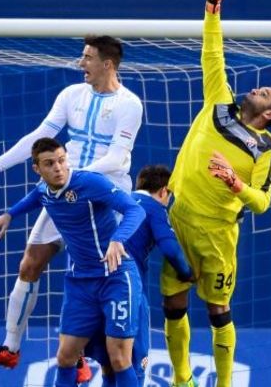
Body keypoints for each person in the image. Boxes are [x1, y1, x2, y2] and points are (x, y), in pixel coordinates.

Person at [0, 34, 143, 375]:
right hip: (64, 189)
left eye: (88, 58)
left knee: (101, 272)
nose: (81, 64)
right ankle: (11, 347)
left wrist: (70, 179)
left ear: (107, 64)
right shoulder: (71, 95)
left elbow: (118, 157)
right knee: (30, 263)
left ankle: (93, 357)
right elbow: (38, 137)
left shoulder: (129, 104)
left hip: (103, 196)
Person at [158, 0, 271, 387]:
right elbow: (212, 53)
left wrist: (236, 184)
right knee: (173, 302)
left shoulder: (266, 148)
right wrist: (212, 7)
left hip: (218, 233)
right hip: (179, 219)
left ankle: (225, 383)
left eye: (265, 93)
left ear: (268, 114)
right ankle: (182, 379)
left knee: (218, 310)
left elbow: (264, 202)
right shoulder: (220, 102)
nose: (257, 88)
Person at [0, 138, 146, 387]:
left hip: (115, 276)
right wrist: (9, 214)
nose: (58, 168)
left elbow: (135, 210)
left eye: (61, 160)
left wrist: (118, 239)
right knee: (65, 356)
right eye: (49, 164)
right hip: (81, 283)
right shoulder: (45, 189)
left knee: (118, 358)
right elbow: (37, 196)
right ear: (37, 169)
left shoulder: (89, 182)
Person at [84, 165, 195, 386]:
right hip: (126, 287)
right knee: (134, 361)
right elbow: (170, 248)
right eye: (169, 197)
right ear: (164, 191)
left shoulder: (119, 201)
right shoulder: (154, 208)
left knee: (109, 363)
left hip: (93, 285)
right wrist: (188, 273)